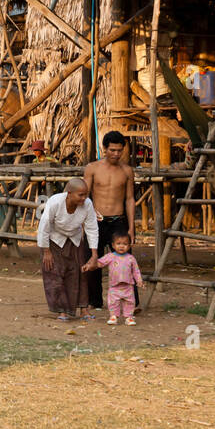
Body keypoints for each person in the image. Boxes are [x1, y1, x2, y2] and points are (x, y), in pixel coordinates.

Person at [84, 130, 138, 312]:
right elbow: (84, 197)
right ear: (104, 148)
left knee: (125, 261)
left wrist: (131, 228)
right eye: (112, 150)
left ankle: (131, 302)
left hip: (118, 221)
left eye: (119, 150)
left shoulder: (127, 170)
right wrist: (87, 218)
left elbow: (130, 199)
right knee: (93, 259)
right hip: (96, 221)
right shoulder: (92, 168)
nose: (116, 154)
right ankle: (94, 301)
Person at [38, 177, 100, 321]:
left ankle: (84, 310)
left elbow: (92, 228)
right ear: (69, 193)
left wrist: (94, 254)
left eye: (86, 194)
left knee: (80, 272)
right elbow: (44, 226)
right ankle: (62, 311)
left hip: (75, 239)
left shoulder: (87, 204)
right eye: (80, 195)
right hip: (53, 240)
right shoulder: (55, 202)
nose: (84, 198)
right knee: (55, 273)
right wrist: (46, 251)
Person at [97, 232, 143, 326]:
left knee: (129, 302)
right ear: (113, 245)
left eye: (125, 244)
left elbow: (136, 271)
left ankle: (129, 317)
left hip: (128, 286)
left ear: (129, 246)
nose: (121, 246)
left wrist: (139, 280)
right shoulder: (110, 256)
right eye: (118, 244)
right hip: (114, 286)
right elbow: (99, 263)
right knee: (113, 301)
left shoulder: (131, 258)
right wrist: (91, 263)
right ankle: (114, 316)